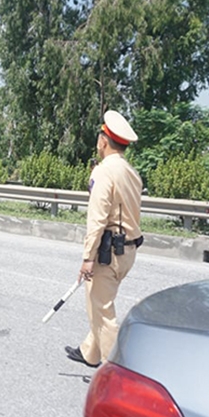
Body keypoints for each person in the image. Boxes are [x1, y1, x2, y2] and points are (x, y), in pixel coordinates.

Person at [65, 110, 143, 368]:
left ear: (103, 141)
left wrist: (88, 258)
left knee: (102, 311)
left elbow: (97, 218)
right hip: (128, 250)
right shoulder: (131, 172)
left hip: (108, 252)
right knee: (101, 302)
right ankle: (90, 352)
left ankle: (118, 372)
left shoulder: (104, 171)